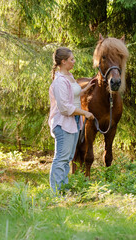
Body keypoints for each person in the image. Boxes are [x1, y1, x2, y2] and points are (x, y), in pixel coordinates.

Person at [48, 47, 95, 193]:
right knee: (61, 159)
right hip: (63, 123)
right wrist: (85, 113)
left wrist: (85, 89)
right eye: (71, 59)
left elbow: (73, 95)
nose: (74, 61)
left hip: (73, 122)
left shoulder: (69, 76)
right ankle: (55, 193)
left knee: (67, 158)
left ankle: (63, 190)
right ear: (63, 61)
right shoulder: (60, 81)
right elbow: (64, 108)